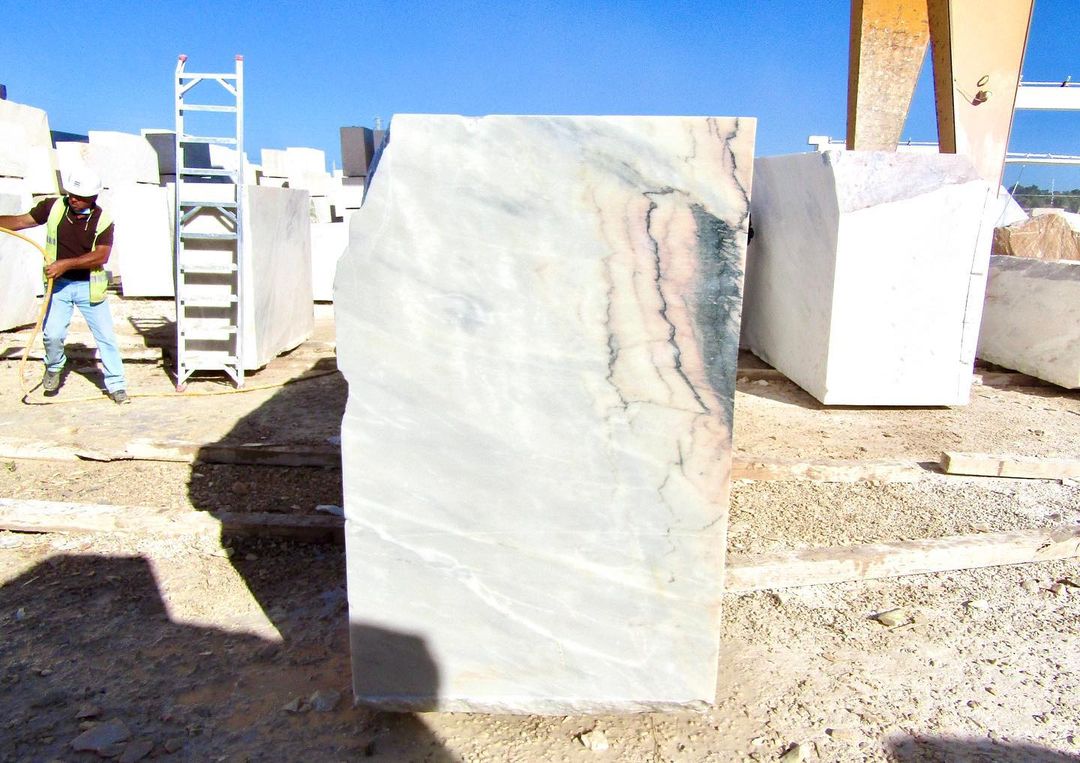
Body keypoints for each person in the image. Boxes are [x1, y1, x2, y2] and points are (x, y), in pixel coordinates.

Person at [0, 166, 129, 404]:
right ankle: (54, 367)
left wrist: (66, 264)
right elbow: (20, 221)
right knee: (52, 335)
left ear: (92, 197)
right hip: (58, 287)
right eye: (71, 194)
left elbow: (101, 255)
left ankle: (117, 385)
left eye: (79, 196)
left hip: (89, 288)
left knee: (106, 338)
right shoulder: (54, 207)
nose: (73, 199)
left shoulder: (103, 220)